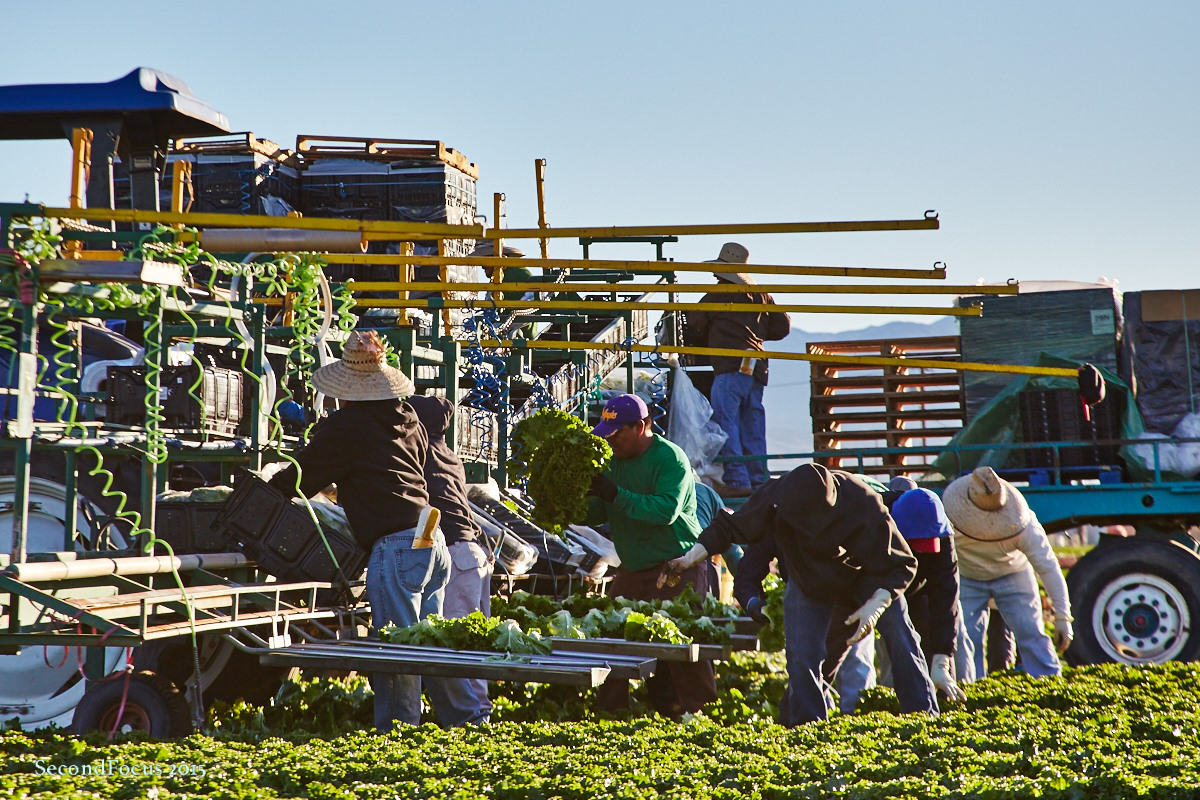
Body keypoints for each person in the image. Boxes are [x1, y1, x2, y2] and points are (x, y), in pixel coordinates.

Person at [267, 330, 455, 731]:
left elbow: (303, 474)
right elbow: (402, 471)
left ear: (347, 391)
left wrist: (265, 491)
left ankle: (400, 736)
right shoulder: (410, 419)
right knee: (433, 645)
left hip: (398, 545)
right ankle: (461, 724)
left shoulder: (348, 424)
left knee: (396, 651)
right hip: (431, 536)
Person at [664, 463, 936, 726]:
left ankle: (922, 715)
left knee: (901, 636)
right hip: (809, 578)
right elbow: (729, 527)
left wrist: (877, 604)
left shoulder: (862, 500)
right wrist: (689, 558)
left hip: (869, 576)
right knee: (802, 653)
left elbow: (903, 563)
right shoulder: (774, 498)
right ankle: (807, 726)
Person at [586, 393, 718, 718]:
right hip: (633, 567)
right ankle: (611, 713)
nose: (611, 440)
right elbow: (599, 511)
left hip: (677, 566)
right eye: (607, 433)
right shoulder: (611, 461)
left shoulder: (670, 458)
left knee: (681, 641)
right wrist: (577, 500)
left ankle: (698, 712)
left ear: (642, 426)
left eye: (618, 433)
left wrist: (613, 493)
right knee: (611, 635)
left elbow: (664, 512)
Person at [408, 393, 494, 725]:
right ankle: (478, 713)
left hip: (457, 555)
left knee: (457, 644)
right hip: (472, 555)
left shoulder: (422, 454)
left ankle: (474, 719)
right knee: (471, 642)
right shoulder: (448, 455)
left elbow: (420, 505)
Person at [943, 466, 1073, 680]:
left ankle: (1049, 681)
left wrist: (1063, 616)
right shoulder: (950, 520)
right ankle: (969, 687)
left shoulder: (1026, 527)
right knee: (965, 637)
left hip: (1014, 574)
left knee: (1031, 631)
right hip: (966, 577)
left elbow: (1048, 567)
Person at [686, 242, 790, 497]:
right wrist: (755, 330)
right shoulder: (761, 295)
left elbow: (695, 320)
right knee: (752, 424)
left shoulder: (719, 294)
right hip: (757, 365)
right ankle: (758, 480)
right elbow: (782, 326)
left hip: (731, 366)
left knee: (726, 422)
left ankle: (737, 479)